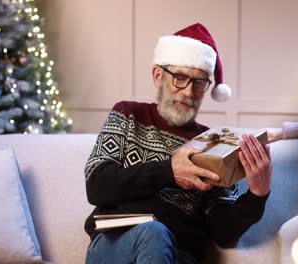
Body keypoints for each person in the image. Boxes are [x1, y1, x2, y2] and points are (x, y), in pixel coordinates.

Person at [84, 23, 272, 264]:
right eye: (180, 78)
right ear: (158, 76)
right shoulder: (127, 115)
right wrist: (169, 172)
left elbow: (223, 234)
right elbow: (97, 185)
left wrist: (257, 195)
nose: (188, 92)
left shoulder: (213, 142)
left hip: (179, 255)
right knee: (155, 233)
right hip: (115, 246)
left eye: (199, 83)